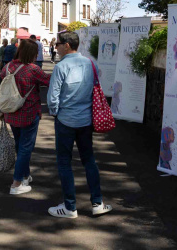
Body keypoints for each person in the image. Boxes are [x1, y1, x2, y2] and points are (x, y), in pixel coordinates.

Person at [47, 30, 112, 218]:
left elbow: (53, 98)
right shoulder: (91, 63)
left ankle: (70, 207)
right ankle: (97, 203)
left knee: (64, 163)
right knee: (89, 160)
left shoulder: (61, 67)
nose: (56, 47)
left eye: (57, 44)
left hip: (66, 120)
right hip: (86, 120)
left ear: (67, 45)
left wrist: (56, 113)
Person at [0, 40, 51, 195]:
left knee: (20, 145)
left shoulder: (6, 67)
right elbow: (49, 81)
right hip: (29, 113)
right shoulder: (33, 69)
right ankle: (16, 183)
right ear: (32, 54)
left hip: (11, 112)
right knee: (25, 147)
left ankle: (25, 175)